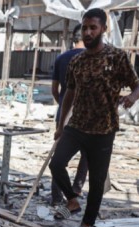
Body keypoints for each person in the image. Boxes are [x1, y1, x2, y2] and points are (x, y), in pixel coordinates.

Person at [49, 8, 139, 227]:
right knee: (56, 164)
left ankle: (86, 224)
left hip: (103, 129)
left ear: (103, 29)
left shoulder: (117, 57)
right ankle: (72, 200)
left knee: (96, 180)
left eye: (93, 27)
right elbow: (69, 93)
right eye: (85, 28)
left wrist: (131, 98)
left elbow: (138, 87)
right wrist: (61, 126)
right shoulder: (77, 61)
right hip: (77, 125)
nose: (88, 32)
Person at [49, 25, 88, 206]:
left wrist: (63, 104)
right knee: (86, 155)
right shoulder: (91, 59)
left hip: (64, 114)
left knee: (59, 156)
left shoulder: (62, 58)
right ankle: (76, 189)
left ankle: (57, 197)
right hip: (87, 116)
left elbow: (54, 89)